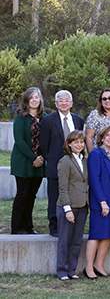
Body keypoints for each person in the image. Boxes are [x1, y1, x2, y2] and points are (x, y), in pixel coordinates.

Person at [40, 90, 85, 237]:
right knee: (55, 196)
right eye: (60, 100)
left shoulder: (78, 120)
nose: (64, 103)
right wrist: (53, 159)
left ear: (71, 103)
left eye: (67, 100)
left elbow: (80, 142)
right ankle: (54, 226)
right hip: (56, 164)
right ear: (56, 103)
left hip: (75, 165)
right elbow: (44, 144)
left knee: (72, 194)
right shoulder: (48, 120)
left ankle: (71, 225)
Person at [85, 126, 110, 279]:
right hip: (101, 202)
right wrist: (102, 201)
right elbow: (94, 180)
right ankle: (88, 268)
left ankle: (98, 265)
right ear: (101, 138)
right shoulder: (96, 154)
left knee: (108, 235)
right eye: (107, 136)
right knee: (96, 235)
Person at [10, 87, 45, 235]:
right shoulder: (20, 117)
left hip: (40, 162)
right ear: (27, 100)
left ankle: (28, 227)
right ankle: (17, 227)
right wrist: (33, 158)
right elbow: (19, 141)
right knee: (22, 194)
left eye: (37, 97)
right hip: (23, 161)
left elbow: (47, 138)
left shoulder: (45, 117)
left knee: (32, 195)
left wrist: (41, 157)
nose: (34, 100)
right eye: (31, 97)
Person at [55, 130, 89, 281]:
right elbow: (62, 187)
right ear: (69, 144)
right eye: (76, 142)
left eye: (81, 142)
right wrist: (67, 209)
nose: (79, 145)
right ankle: (62, 271)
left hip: (82, 206)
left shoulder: (85, 160)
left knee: (76, 241)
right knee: (65, 240)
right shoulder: (65, 161)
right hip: (68, 207)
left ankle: (72, 270)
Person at [85, 88, 110, 153]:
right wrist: (91, 155)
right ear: (101, 102)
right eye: (104, 99)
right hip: (100, 154)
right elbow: (89, 137)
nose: (107, 100)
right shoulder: (95, 114)